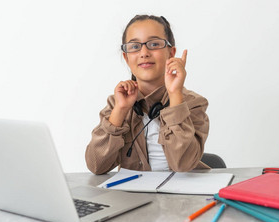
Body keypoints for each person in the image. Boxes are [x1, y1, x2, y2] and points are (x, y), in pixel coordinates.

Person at [85, 15, 209, 175]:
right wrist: (120, 111)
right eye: (135, 46)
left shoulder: (194, 102)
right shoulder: (117, 103)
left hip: (182, 197)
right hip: (133, 198)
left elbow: (182, 164)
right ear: (126, 57)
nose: (144, 52)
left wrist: (175, 95)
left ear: (171, 53)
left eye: (154, 44)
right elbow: (96, 166)